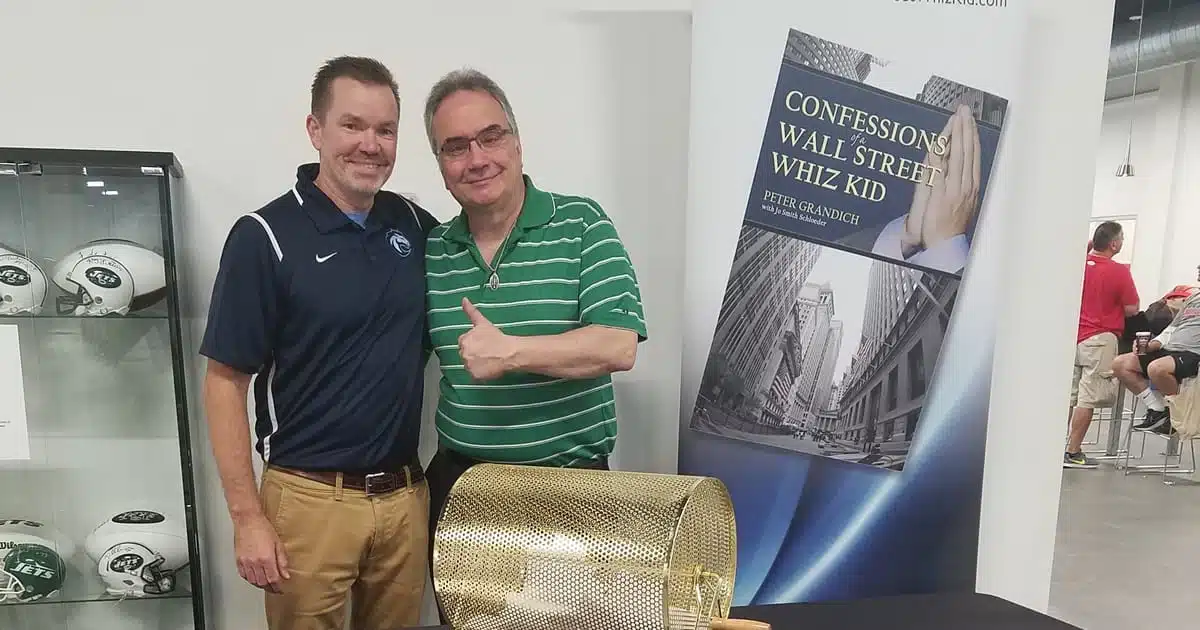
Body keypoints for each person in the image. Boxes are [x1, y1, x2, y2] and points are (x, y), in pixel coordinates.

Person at [199, 56, 439, 630]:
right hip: (308, 501)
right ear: (316, 130)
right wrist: (246, 518)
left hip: (405, 499)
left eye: (385, 130)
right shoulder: (264, 236)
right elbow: (224, 383)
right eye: (352, 125)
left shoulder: (415, 225)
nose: (370, 145)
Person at [420, 67, 648, 613]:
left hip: (569, 493)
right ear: (441, 166)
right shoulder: (432, 250)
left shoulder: (582, 223)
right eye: (456, 147)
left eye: (491, 136)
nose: (477, 158)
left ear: (517, 143)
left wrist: (512, 352)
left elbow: (618, 345)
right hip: (462, 491)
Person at [1064, 221, 1140, 468]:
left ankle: (1053, 448)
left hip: (1071, 336)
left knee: (1067, 396)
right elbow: (1132, 309)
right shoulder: (1119, 272)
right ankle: (1073, 452)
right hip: (1099, 338)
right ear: (1114, 244)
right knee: (1088, 397)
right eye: (1122, 239)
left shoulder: (1076, 265)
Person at [1115, 288, 1200, 434]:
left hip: (1193, 353)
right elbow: (1171, 330)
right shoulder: (1193, 298)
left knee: (1157, 368)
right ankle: (1158, 409)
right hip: (1170, 349)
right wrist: (1150, 345)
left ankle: (1175, 416)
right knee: (1120, 364)